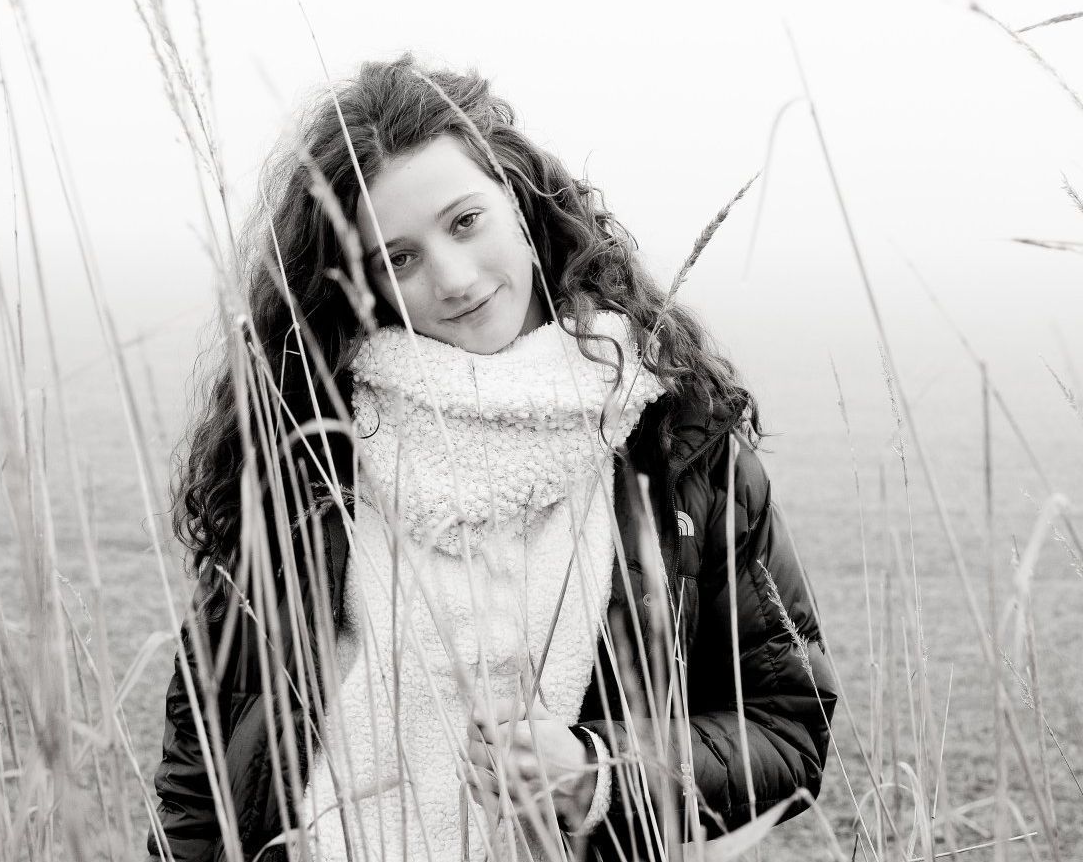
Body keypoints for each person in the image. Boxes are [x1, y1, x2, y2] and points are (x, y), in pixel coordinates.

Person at [150, 53, 837, 862]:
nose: (452, 277)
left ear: (515, 195)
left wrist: (599, 772)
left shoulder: (673, 438)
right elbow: (200, 764)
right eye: (397, 258)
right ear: (358, 286)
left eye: (464, 221)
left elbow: (789, 731)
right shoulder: (305, 451)